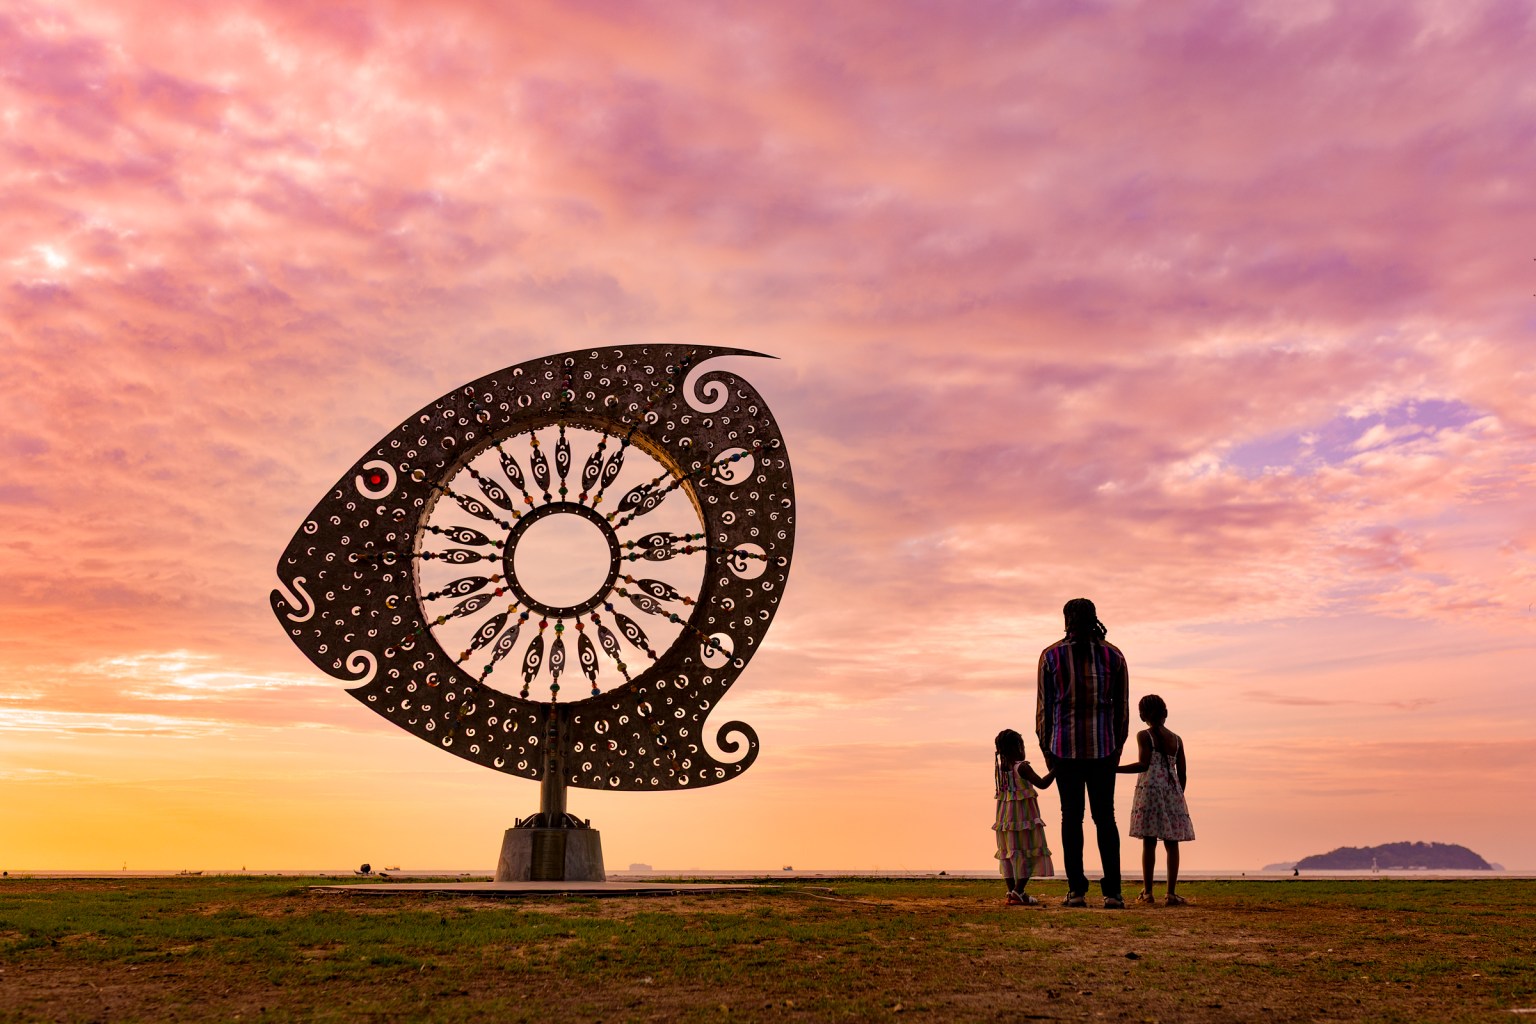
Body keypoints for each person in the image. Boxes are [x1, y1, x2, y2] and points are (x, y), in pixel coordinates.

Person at [1036, 598, 1129, 908]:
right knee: (1105, 818)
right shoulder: (1113, 655)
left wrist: (1047, 750)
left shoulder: (1051, 656)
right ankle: (1113, 893)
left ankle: (1076, 891)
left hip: (1064, 749)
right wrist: (1117, 748)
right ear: (1094, 619)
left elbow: (1044, 708)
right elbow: (1122, 709)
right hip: (1104, 748)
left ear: (1066, 620)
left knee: (1071, 819)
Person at [1117, 694, 1195, 905]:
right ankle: (1170, 893)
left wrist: (1114, 769)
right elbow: (1183, 774)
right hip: (1172, 791)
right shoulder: (1177, 740)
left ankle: (1148, 892)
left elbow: (1143, 764)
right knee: (1172, 843)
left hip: (1150, 790)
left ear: (1142, 715)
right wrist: (1178, 795)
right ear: (1165, 713)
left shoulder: (1144, 735)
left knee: (1149, 842)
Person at [993, 728, 1056, 905]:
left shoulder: (1001, 770)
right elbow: (1042, 784)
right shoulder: (1022, 767)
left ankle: (1013, 892)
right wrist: (1057, 769)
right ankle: (1018, 891)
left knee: (1010, 853)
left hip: (1006, 820)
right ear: (1017, 747)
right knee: (1028, 851)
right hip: (1024, 819)